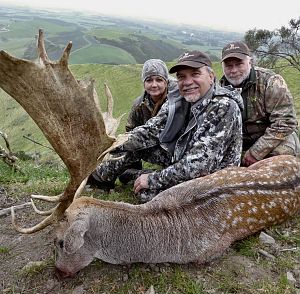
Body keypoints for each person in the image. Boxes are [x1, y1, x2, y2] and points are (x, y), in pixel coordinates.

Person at [88, 50, 244, 203]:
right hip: (182, 159)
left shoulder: (224, 106)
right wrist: (111, 144)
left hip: (210, 182)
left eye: (195, 74)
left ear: (211, 76)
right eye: (182, 77)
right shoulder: (180, 99)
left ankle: (135, 176)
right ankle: (99, 178)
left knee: (146, 193)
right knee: (138, 147)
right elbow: (150, 131)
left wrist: (152, 179)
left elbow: (199, 165)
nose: (188, 82)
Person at [220, 41, 300, 167]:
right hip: (242, 141)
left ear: (250, 62)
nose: (234, 70)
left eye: (239, 64)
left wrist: (256, 152)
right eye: (229, 66)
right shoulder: (221, 89)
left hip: (274, 137)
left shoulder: (271, 81)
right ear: (222, 66)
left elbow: (285, 122)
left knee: (278, 161)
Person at [118, 59, 178, 184]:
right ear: (144, 83)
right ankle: (131, 171)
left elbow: (151, 133)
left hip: (175, 150)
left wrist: (116, 145)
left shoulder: (176, 100)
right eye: (149, 80)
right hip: (154, 146)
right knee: (130, 144)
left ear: (166, 81)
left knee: (132, 143)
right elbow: (130, 129)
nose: (154, 84)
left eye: (159, 80)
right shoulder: (139, 104)